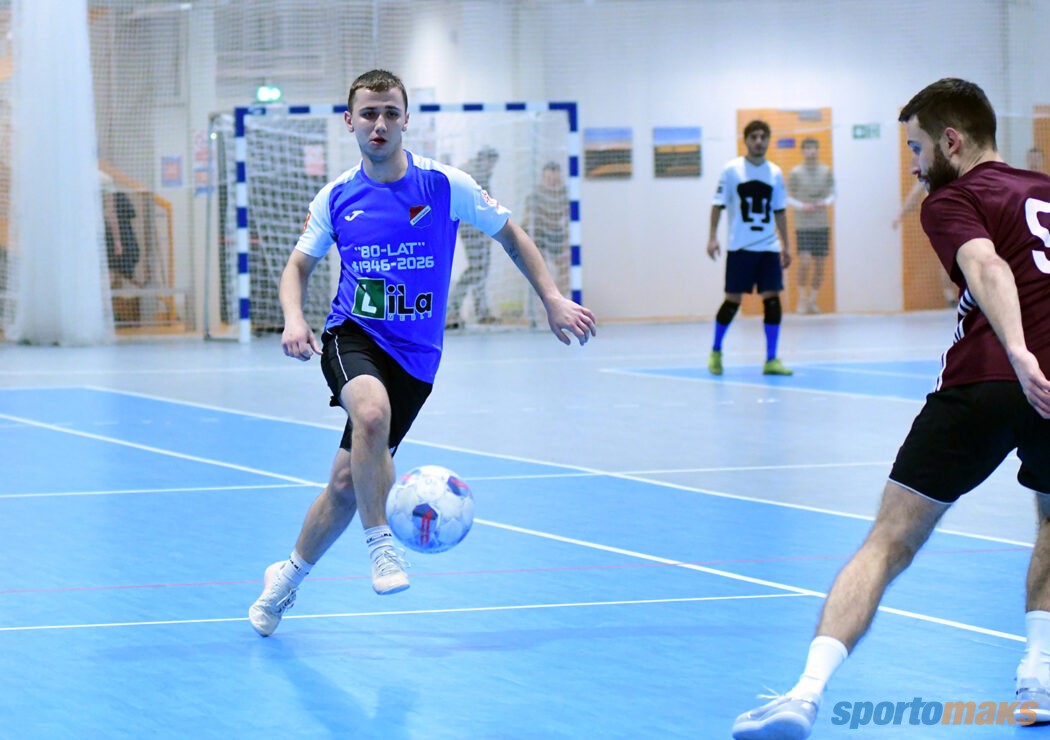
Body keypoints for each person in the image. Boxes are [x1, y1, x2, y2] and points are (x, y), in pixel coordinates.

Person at [732, 77, 1050, 739]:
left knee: (888, 541)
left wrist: (1019, 352)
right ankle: (1039, 678)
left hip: (988, 380)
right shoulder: (1044, 190)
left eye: (916, 147)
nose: (913, 164)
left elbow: (988, 266)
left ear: (951, 141)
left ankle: (804, 695)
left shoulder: (951, 198)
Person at [248, 69, 597, 638]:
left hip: (415, 359)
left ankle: (284, 580)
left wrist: (552, 297)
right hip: (352, 335)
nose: (379, 124)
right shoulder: (336, 196)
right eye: (368, 113)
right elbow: (298, 266)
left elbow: (511, 234)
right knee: (371, 413)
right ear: (350, 122)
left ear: (406, 119)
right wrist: (293, 316)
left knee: (345, 485)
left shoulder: (445, 185)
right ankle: (382, 545)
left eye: (390, 112)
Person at [707, 120, 793, 377]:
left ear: (768, 140)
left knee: (773, 301)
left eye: (763, 137)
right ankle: (716, 351)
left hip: (768, 248)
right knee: (732, 301)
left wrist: (786, 245)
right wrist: (712, 237)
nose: (758, 141)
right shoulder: (732, 170)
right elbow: (717, 204)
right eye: (753, 137)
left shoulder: (775, 172)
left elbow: (780, 211)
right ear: (745, 140)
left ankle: (771, 359)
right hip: (740, 248)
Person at [446, 146, 500, 328]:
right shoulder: (475, 173)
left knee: (480, 269)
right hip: (472, 228)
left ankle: (479, 310)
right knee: (477, 269)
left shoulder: (475, 171)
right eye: (491, 162)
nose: (492, 166)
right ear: (484, 159)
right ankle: (454, 309)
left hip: (475, 227)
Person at [787, 138, 835, 314]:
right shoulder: (795, 173)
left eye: (814, 148)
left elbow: (833, 193)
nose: (811, 151)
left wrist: (825, 202)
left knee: (820, 264)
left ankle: (812, 301)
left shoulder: (826, 171)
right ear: (803, 151)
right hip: (803, 224)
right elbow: (787, 196)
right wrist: (802, 206)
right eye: (807, 148)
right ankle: (802, 299)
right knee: (805, 261)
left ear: (818, 150)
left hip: (821, 223)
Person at [524, 160, 571, 297]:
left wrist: (566, 244)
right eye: (549, 179)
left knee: (565, 269)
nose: (552, 182)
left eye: (555, 179)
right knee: (539, 270)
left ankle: (561, 298)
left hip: (556, 233)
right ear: (543, 179)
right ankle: (541, 299)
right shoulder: (535, 195)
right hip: (538, 234)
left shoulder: (565, 194)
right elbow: (528, 220)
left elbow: (568, 219)